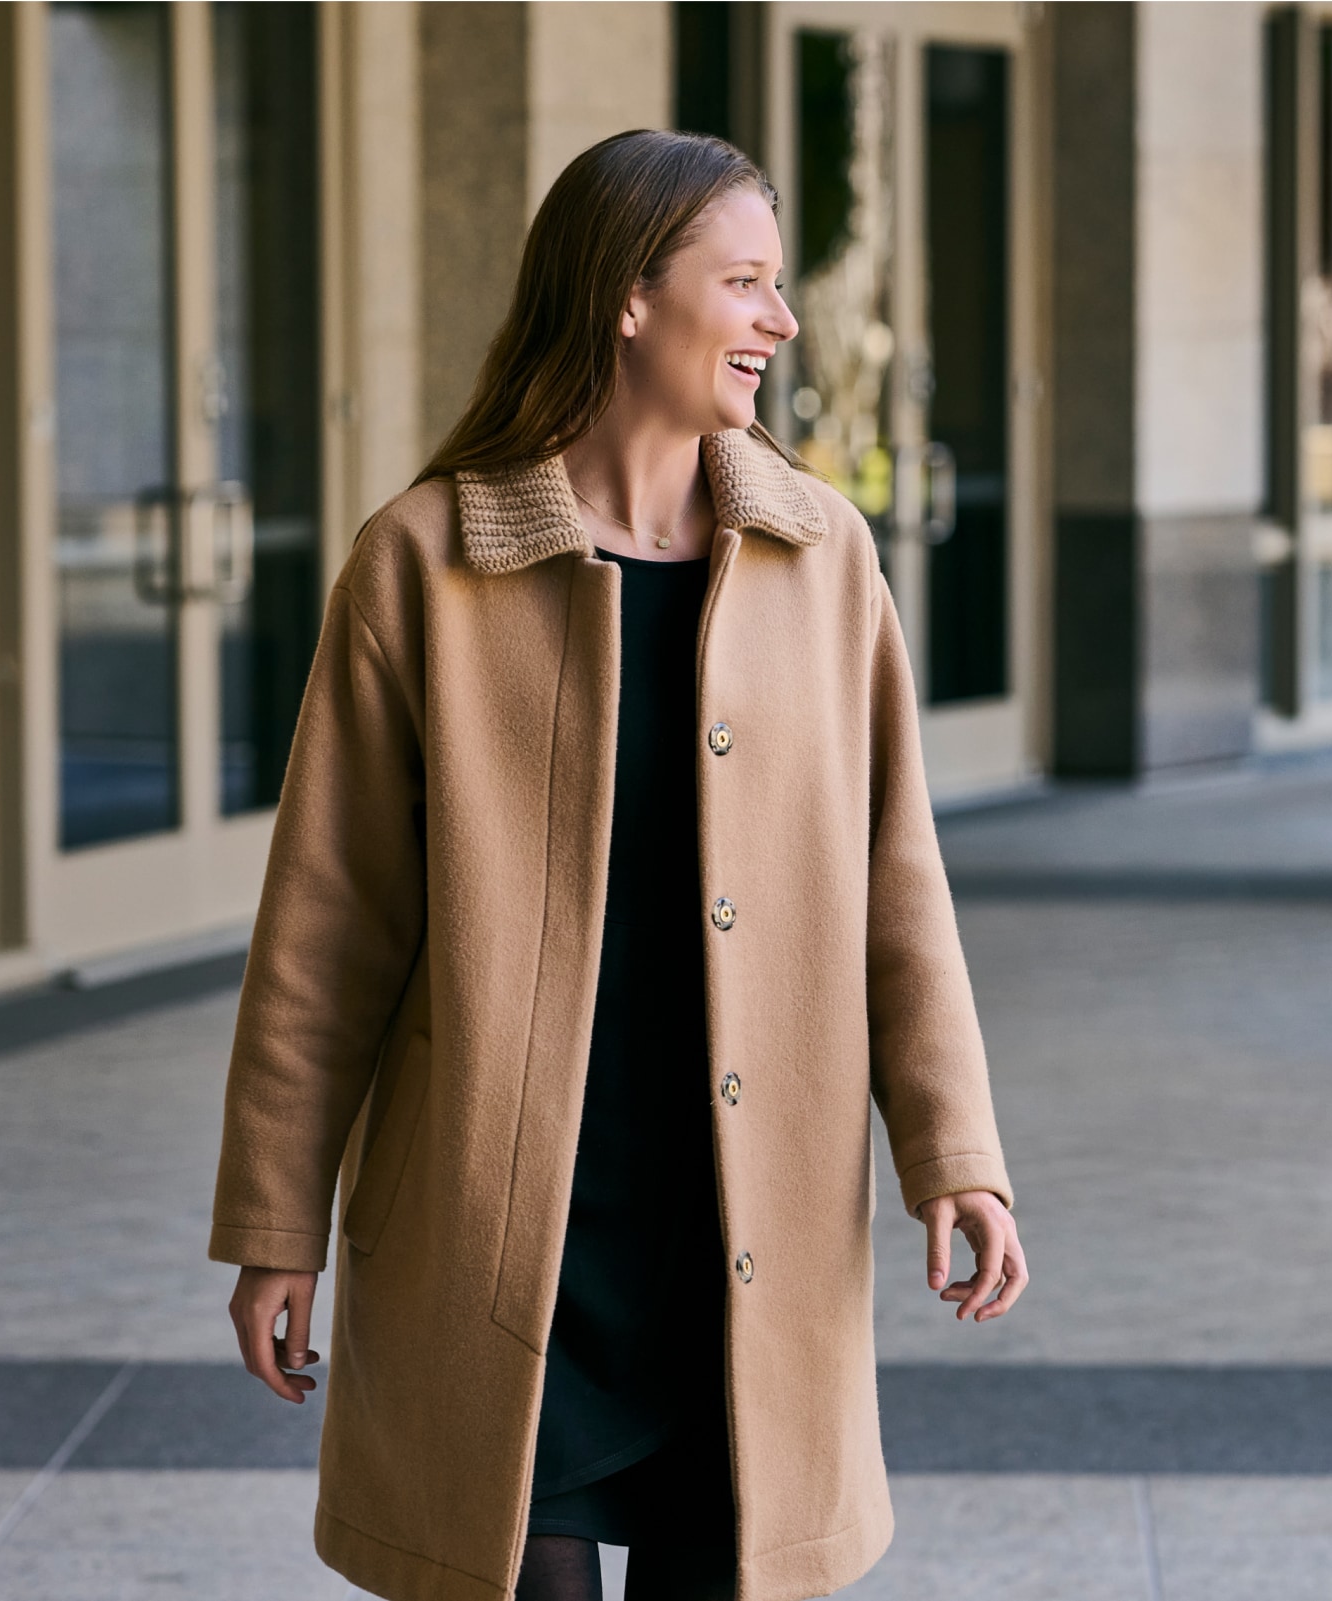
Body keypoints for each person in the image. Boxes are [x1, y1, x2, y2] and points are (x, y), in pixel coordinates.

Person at [210, 130, 1027, 1601]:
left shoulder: (821, 558)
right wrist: (275, 1224)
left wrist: (954, 1154)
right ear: (629, 298)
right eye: (749, 284)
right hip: (502, 1236)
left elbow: (898, 884)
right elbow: (324, 931)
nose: (782, 322)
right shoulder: (421, 567)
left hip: (741, 1233)